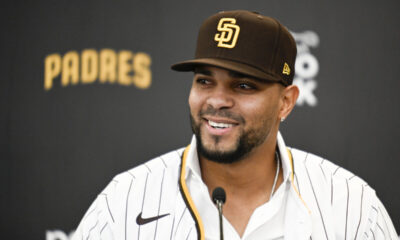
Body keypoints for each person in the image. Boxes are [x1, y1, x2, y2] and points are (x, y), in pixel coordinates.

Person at [72, 10, 398, 240]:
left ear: (286, 101)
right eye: (204, 81)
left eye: (243, 86)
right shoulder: (125, 199)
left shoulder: (351, 204)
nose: (217, 100)